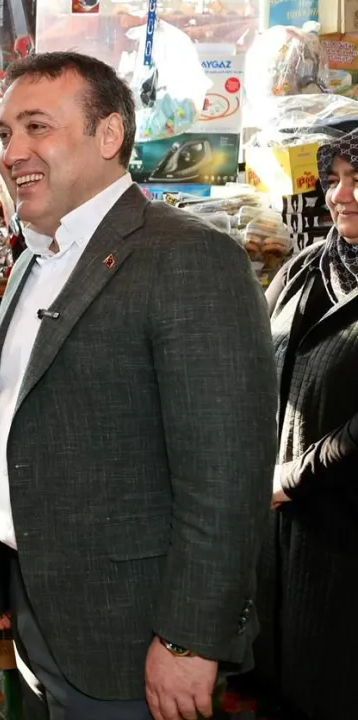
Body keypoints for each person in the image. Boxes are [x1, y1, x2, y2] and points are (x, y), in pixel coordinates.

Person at [0, 51, 278, 720]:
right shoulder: (34, 260)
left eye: (37, 127)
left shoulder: (189, 258)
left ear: (109, 135)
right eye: (5, 133)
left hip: (135, 638)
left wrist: (190, 639)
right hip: (37, 611)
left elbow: (227, 480)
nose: (12, 152)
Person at [246, 131, 358, 720]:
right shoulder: (303, 268)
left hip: (343, 534)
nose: (342, 195)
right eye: (335, 180)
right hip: (282, 541)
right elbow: (250, 364)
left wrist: (290, 478)